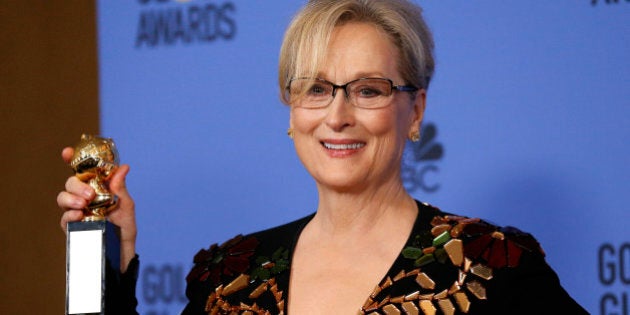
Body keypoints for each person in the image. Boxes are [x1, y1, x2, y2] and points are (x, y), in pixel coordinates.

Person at [57, 0, 589, 314]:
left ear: (415, 110)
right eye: (316, 88)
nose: (337, 115)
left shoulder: (490, 265)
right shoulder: (229, 277)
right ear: (291, 109)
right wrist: (112, 255)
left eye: (369, 89)